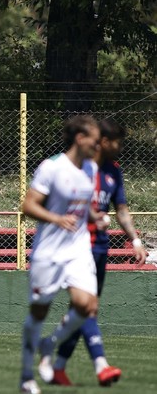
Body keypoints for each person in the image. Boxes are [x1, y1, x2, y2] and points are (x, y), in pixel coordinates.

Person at [45, 118, 147, 387]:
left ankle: (56, 363)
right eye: (117, 142)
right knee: (87, 308)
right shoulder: (80, 169)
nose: (120, 147)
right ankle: (101, 366)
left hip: (100, 246)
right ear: (103, 142)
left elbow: (121, 209)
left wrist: (135, 239)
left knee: (85, 309)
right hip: (77, 246)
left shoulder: (114, 171)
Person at [19, 115, 101, 394]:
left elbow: (82, 204)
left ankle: (50, 343)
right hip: (48, 253)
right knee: (39, 312)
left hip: (78, 250)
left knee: (87, 305)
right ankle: (27, 376)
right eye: (95, 140)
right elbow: (28, 206)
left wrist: (95, 216)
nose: (98, 145)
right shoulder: (51, 167)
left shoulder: (91, 168)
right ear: (80, 138)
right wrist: (56, 219)